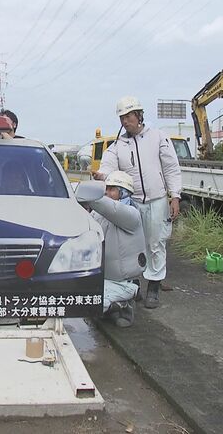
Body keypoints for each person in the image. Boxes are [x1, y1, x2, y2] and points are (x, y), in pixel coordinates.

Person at [92, 96, 182, 309]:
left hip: (157, 199)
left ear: (139, 115)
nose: (125, 121)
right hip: (131, 201)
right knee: (130, 245)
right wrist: (101, 175)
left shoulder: (158, 137)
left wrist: (175, 196)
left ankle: (154, 286)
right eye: (122, 117)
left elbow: (171, 167)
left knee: (156, 243)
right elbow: (108, 166)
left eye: (129, 116)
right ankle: (133, 285)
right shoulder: (118, 145)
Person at [80, 171, 147, 327]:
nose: (107, 193)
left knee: (90, 302)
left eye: (112, 189)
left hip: (123, 280)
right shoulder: (99, 213)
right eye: (106, 189)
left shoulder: (131, 214)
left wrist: (87, 195)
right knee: (82, 299)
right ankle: (111, 307)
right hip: (103, 276)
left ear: (123, 192)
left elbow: (113, 210)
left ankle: (125, 304)